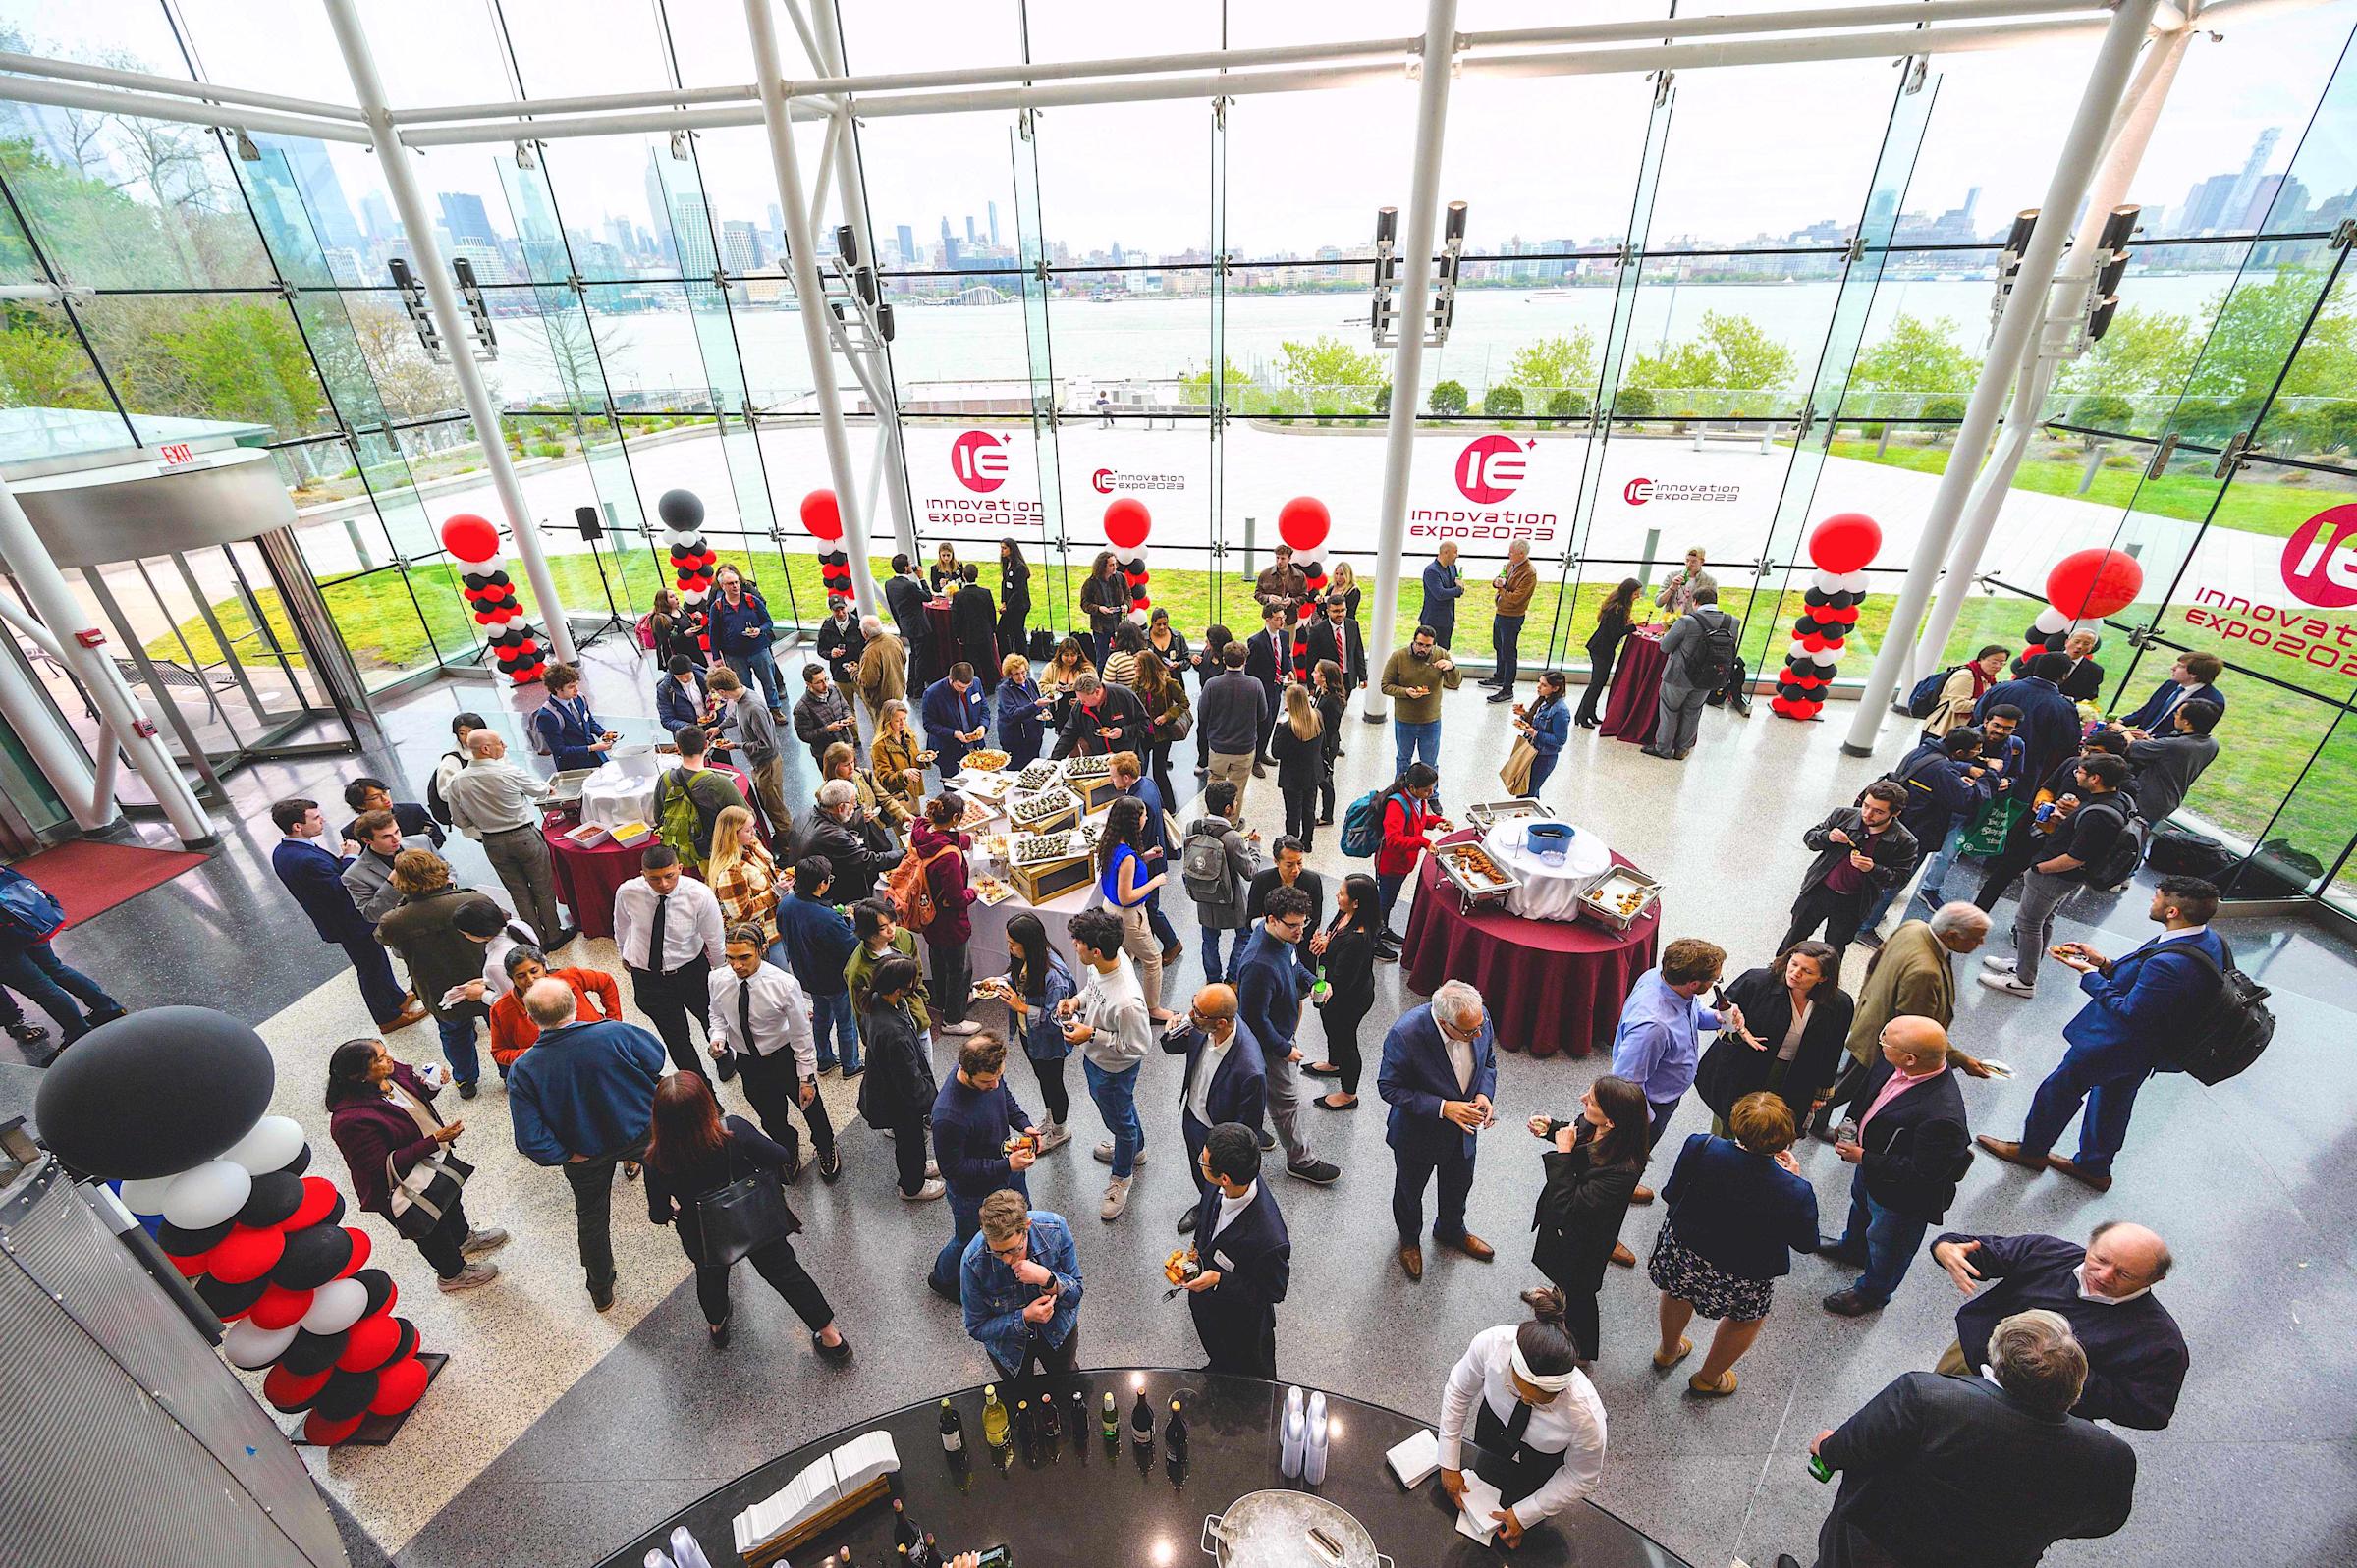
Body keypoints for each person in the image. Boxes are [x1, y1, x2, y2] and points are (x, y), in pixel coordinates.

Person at [1792, 1311, 2136, 1568]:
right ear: (2076, 1384)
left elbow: (1852, 1447)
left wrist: (1826, 1447)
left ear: (1996, 1359)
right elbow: (2104, 1521)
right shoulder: (2110, 1455)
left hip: (1881, 1541)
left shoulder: (1927, 1396)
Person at [1977, 876, 2224, 1194]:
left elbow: (2130, 1012)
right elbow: (2150, 986)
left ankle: (2032, 1151)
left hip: (2116, 1044)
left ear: (2173, 911)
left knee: (2059, 1089)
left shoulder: (2170, 963)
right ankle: (2094, 1167)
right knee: (2113, 1101)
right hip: (2150, 1047)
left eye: (2158, 898)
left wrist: (2090, 975)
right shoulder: (2208, 940)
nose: (2152, 900)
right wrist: (2104, 963)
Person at [643, 1071, 852, 1360]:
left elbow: (658, 1213)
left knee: (711, 1277)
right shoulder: (733, 1131)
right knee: (786, 1273)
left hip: (703, 1231)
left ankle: (717, 1326)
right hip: (755, 1216)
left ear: (659, 1118)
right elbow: (779, 1155)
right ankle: (831, 1338)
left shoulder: (656, 1159)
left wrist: (676, 1209)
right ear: (705, 1103)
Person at [508, 977, 669, 1312]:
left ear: (531, 1017)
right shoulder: (613, 1032)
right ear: (574, 1004)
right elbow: (655, 1058)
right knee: (679, 1178)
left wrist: (567, 1154)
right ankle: (701, 1233)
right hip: (641, 1132)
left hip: (584, 1153)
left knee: (592, 1217)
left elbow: (530, 1139)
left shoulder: (524, 1070)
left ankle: (601, 1287)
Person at [1648, 1092, 1820, 1394]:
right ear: (1785, 1141)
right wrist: (1792, 1180)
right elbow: (1806, 1243)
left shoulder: (1701, 1145)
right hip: (1745, 1270)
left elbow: (1671, 1193)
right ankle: (1708, 1379)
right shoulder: (1796, 1190)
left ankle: (1668, 1350)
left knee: (1676, 1294)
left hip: (1686, 1249)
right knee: (1745, 1320)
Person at [324, 1038, 506, 1290]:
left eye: (385, 1053)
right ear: (359, 1076)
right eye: (379, 1059)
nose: (389, 1059)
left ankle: (463, 1239)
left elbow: (415, 1095)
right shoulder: (350, 1120)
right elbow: (378, 1166)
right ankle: (452, 1275)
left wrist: (432, 1085)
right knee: (431, 1228)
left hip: (431, 1159)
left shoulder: (391, 1072)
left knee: (450, 1199)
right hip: (404, 1184)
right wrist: (434, 1140)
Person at [1436, 1288, 1608, 1548]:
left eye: (1540, 1401)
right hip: (1495, 1421)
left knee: (1530, 1490)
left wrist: (1526, 1514)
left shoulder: (1586, 1415)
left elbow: (1581, 1475)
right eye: (1516, 1390)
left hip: (1545, 1455)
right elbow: (1459, 1390)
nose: (1525, 1401)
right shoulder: (1492, 1344)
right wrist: (1448, 1460)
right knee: (1485, 1472)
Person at [1821, 1015, 1970, 1316]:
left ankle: (1872, 1293)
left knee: (1889, 1245)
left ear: (1910, 1059)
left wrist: (1863, 1157)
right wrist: (1850, 1125)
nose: (1880, 1044)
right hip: (1871, 1169)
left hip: (1901, 1197)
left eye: (1885, 1041)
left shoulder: (1943, 1116)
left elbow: (1922, 1173)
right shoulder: (1893, 1061)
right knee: (1861, 1209)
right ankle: (1853, 1249)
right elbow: (1868, 1093)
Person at [1815, 903, 1992, 1138]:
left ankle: (1820, 1117)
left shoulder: (1913, 927)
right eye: (1976, 938)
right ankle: (1817, 1120)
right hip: (1886, 1043)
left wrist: (1868, 999)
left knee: (1850, 1077)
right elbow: (1916, 1029)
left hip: (1872, 1020)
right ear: (1952, 936)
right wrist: (1961, 1060)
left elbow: (1874, 963)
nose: (1981, 943)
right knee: (1854, 1085)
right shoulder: (1925, 972)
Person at [1976, 752, 2130, 1000]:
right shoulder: (2114, 800)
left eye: (2081, 772)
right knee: (2043, 920)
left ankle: (2024, 980)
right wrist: (2065, 819)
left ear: (2095, 778)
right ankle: (2025, 965)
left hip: (2055, 875)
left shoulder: (2098, 815)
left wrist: (2038, 868)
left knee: (2028, 923)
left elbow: (2076, 857)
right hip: (2062, 875)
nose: (2076, 774)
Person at [1610, 938, 1737, 1223]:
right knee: (1623, 1164)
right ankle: (1610, 1215)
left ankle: (1627, 1181)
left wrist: (1717, 1017)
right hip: (1646, 1107)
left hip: (1664, 1094)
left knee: (1634, 1160)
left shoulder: (1662, 978)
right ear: (1694, 983)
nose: (1716, 984)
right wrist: (1646, 1122)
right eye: (1715, 980)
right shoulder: (1653, 1027)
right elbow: (1626, 1082)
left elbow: (1693, 1013)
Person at [1379, 979, 1497, 1280]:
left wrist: (1484, 1094)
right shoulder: (1405, 1035)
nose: (1478, 1034)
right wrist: (1444, 1107)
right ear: (1444, 1023)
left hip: (1463, 1132)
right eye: (1469, 1032)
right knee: (1410, 1192)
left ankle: (1451, 1229)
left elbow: (1488, 1062)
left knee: (1459, 1184)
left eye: (1480, 1026)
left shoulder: (1478, 1018)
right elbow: (1389, 1087)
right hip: (1418, 1135)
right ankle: (1409, 1240)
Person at [272, 797, 420, 1035]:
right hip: (348, 922)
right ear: (297, 826)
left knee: (377, 962)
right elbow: (340, 888)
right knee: (371, 968)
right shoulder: (305, 858)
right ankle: (388, 1017)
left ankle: (396, 998)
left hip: (339, 920)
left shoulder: (284, 851)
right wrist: (350, 858)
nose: (322, 820)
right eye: (315, 818)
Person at [1526, 1074, 1647, 1361]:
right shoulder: (1598, 1126)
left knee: (1580, 1294)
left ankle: (1580, 1350)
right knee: (1562, 1272)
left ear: (1611, 1122)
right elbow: (1577, 1133)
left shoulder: (1624, 1169)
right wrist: (1552, 1128)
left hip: (1585, 1240)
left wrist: (1563, 1151)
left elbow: (1569, 1207)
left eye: (1591, 1101)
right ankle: (1558, 1299)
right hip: (1566, 1232)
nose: (1583, 1100)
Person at [707, 924, 838, 1182]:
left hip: (783, 1057)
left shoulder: (783, 984)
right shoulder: (717, 979)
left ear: (762, 949)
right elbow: (716, 1014)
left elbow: (801, 1033)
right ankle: (787, 1147)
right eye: (730, 958)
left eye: (744, 957)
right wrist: (718, 1036)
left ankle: (825, 1145)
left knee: (811, 1107)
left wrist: (806, 1077)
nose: (736, 965)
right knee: (770, 1116)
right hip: (749, 1062)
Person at [1236, 887, 1342, 1187]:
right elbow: (1255, 1020)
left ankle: (1251, 1131)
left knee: (1255, 1089)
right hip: (1271, 1043)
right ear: (1271, 919)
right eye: (1293, 925)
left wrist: (1314, 982)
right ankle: (1301, 1161)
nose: (1300, 932)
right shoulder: (1258, 964)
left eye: (1303, 924)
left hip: (1280, 1033)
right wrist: (1284, 1049)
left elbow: (1295, 967)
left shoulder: (1282, 938)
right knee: (1287, 1103)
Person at [1694, 942, 1852, 1140]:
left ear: (1823, 978)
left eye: (1807, 971)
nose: (1795, 973)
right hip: (1743, 1066)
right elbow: (1719, 1016)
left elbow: (1832, 1050)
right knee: (1729, 1123)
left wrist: (1820, 1092)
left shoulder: (1839, 1005)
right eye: (1794, 964)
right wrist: (1738, 1029)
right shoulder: (1756, 982)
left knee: (1774, 1130)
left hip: (1795, 1075)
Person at [373, 850, 501, 1095]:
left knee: (454, 1033)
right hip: (482, 977)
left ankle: (465, 1080)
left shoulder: (395, 920)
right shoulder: (474, 899)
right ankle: (508, 1070)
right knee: (499, 1025)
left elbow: (382, 937)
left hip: (437, 987)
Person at [927, 1034, 1040, 1300]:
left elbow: (1004, 1096)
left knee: (1020, 1219)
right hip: (973, 1193)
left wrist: (1024, 1124)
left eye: (999, 1076)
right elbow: (953, 1170)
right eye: (987, 1082)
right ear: (966, 1071)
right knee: (969, 1240)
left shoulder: (990, 1072)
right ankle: (943, 1280)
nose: (995, 1084)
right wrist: (1006, 1165)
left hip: (1007, 1173)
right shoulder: (947, 1115)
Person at [1856, 729, 1993, 941]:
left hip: (1899, 823)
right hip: (1918, 830)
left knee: (1882, 876)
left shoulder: (1923, 751)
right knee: (1896, 880)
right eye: (1976, 751)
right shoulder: (1943, 769)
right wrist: (1989, 777)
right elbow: (1967, 801)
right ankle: (1865, 927)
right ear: (1959, 752)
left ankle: (1868, 913)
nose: (1979, 754)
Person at [439, 729, 570, 949]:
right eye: (500, 742)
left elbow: (460, 821)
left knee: (518, 892)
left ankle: (534, 938)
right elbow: (539, 791)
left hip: (492, 842)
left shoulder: (457, 782)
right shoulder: (507, 772)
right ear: (486, 749)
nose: (504, 746)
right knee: (543, 888)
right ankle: (554, 935)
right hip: (524, 836)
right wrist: (547, 789)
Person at [1062, 907, 1153, 1219]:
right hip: (1097, 1059)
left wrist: (1091, 1034)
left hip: (1114, 1070)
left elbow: (1139, 1045)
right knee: (1121, 1111)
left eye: (1078, 943)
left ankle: (1121, 1178)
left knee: (1120, 1123)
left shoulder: (1127, 1002)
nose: (1074, 945)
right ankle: (1135, 1149)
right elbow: (1093, 989)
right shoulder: (1105, 962)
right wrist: (1077, 1001)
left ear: (1096, 951)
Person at [1181, 1120, 1290, 1378]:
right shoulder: (1222, 1183)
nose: (1200, 1162)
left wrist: (1219, 1280)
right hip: (1211, 1311)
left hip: (1241, 1325)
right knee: (1219, 1356)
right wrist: (1196, 1250)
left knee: (1247, 1375)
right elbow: (1208, 1219)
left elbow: (1272, 1291)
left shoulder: (1269, 1238)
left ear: (1225, 1178)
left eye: (1204, 1161)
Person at [614, 843, 727, 1078]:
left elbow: (715, 939)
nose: (664, 884)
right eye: (654, 879)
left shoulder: (699, 895)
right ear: (643, 874)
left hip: (690, 971)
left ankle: (725, 1060)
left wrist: (720, 974)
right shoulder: (627, 892)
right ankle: (701, 1090)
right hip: (649, 978)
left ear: (680, 868)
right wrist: (624, 953)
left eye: (669, 876)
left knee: (711, 1020)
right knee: (677, 1040)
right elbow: (621, 925)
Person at [1165, 983, 1269, 1235]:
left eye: (1197, 1012)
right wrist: (1171, 1030)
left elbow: (1247, 1129)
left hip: (1218, 1131)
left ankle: (1217, 1213)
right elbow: (1170, 1046)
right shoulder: (1203, 1024)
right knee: (1198, 1169)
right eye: (1193, 1005)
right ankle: (1205, 1204)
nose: (1191, 1015)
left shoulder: (1250, 1070)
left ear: (1221, 1023)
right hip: (1193, 1117)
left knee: (1217, 1175)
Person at [1781, 782, 1920, 959]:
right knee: (1795, 936)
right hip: (1819, 889)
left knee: (1835, 948)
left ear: (1895, 813)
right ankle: (1778, 968)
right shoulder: (1843, 815)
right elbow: (1810, 838)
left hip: (1854, 901)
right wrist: (1827, 836)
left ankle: (1826, 977)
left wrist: (1873, 868)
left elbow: (1900, 878)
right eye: (1866, 806)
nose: (1867, 814)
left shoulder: (1904, 841)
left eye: (1878, 811)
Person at [1908, 705, 2025, 917]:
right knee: (1918, 848)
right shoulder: (1965, 736)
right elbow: (1944, 758)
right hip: (1948, 802)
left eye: (2008, 728)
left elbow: (2017, 774)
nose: (2000, 731)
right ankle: (1899, 884)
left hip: (1975, 806)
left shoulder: (2016, 746)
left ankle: (1930, 888)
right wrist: (1968, 769)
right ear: (1986, 721)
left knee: (1949, 853)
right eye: (1996, 725)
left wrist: (2007, 781)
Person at [961, 1188, 1082, 1380]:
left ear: (1027, 1226)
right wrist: (1025, 1317)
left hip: (1058, 1332)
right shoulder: (973, 1261)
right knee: (1020, 1392)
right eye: (997, 1252)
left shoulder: (1056, 1229)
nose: (1007, 1260)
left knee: (1067, 1380)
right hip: (1009, 1348)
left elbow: (1076, 1294)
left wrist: (1048, 1280)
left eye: (1014, 1249)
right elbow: (976, 1327)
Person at [983, 912, 1077, 1152]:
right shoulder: (1029, 960)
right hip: (1030, 1035)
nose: (1010, 949)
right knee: (1043, 1078)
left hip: (1048, 1040)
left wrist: (1021, 1007)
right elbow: (1019, 977)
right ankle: (1051, 1117)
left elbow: (1056, 1018)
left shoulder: (1054, 977)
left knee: (1053, 1083)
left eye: (1013, 944)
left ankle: (1060, 1129)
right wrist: (1001, 981)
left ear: (1029, 944)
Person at [855, 955, 941, 1202]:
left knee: (910, 1138)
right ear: (898, 989)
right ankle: (912, 1186)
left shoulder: (873, 1002)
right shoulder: (893, 1033)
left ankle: (918, 1166)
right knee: (910, 1139)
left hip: (885, 1086)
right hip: (899, 1099)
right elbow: (909, 1081)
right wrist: (932, 1098)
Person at [773, 856, 862, 1076]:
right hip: (833, 979)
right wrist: (851, 922)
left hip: (806, 974)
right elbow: (850, 946)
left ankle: (824, 1059)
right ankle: (851, 1064)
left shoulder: (786, 904)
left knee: (821, 1017)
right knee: (846, 1022)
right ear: (822, 884)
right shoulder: (827, 917)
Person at [485, 943, 620, 1073]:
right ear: (512, 978)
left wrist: (613, 1020)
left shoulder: (569, 978)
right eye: (521, 976)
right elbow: (499, 1052)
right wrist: (530, 1054)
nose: (530, 979)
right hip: (556, 1071)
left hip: (599, 1052)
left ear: (544, 967)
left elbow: (605, 981)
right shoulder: (501, 1010)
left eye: (534, 971)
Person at [1094, 797, 1172, 1024]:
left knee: (1124, 957)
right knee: (1152, 959)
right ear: (1133, 821)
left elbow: (1122, 873)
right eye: (1143, 815)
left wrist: (1145, 857)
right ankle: (1152, 1009)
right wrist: (1155, 882)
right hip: (1127, 915)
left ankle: (1125, 998)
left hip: (1110, 909)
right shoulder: (1127, 857)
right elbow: (1126, 896)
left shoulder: (1111, 843)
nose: (1146, 818)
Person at [1304, 872, 1377, 1109]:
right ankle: (1334, 1063)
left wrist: (1326, 952)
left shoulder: (1357, 939)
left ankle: (1349, 1094)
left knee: (1346, 1041)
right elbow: (1334, 938)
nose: (1337, 895)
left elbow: (1341, 979)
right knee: (1332, 1029)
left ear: (1356, 902)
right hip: (1339, 991)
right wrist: (1326, 943)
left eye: (1343, 893)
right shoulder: (1346, 915)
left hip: (1348, 998)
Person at [911, 792, 981, 1036]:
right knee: (959, 968)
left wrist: (965, 840)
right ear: (955, 817)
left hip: (930, 916)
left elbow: (941, 840)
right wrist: (973, 892)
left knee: (938, 961)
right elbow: (956, 898)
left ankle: (943, 1001)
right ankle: (953, 1018)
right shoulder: (949, 857)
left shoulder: (921, 831)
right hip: (950, 922)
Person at [1643, 585, 1737, 762]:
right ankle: (1682, 749)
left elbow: (1665, 647)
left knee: (1670, 710)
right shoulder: (1732, 622)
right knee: (1693, 712)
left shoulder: (1687, 621)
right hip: (1709, 677)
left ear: (1695, 602)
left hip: (1679, 676)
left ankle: (1663, 748)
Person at [1106, 750, 1181, 961]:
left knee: (1150, 907)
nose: (1111, 780)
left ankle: (1172, 943)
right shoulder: (1148, 782)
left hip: (1149, 863)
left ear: (1126, 778)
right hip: (1154, 854)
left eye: (1113, 776)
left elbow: (1135, 838)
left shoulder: (1138, 802)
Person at [1182, 779, 1260, 984]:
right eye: (1235, 801)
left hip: (1203, 893)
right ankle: (1232, 978)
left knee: (1209, 939)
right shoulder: (1233, 838)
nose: (1237, 803)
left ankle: (1213, 980)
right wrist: (1254, 847)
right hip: (1230, 899)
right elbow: (1250, 872)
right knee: (1244, 934)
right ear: (1227, 808)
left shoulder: (1192, 827)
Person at [1974, 650, 2081, 789]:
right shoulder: (2062, 707)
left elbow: (1978, 714)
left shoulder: (2001, 688)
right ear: (2065, 676)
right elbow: (2067, 742)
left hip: (1980, 760)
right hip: (2026, 769)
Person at [1372, 761, 1447, 955]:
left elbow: (1419, 819)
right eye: (1427, 790)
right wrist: (1423, 842)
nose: (1431, 793)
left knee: (1388, 901)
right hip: (1390, 865)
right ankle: (1374, 941)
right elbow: (1393, 840)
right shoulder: (1396, 805)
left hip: (1403, 863)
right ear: (1412, 787)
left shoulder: (1417, 799)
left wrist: (1437, 822)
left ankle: (1383, 929)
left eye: (1433, 788)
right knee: (1383, 903)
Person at [1379, 624, 1462, 777]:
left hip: (1431, 720)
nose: (1422, 649)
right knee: (1403, 760)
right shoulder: (1398, 657)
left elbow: (1455, 683)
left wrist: (1451, 667)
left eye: (1427, 646)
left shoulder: (1441, 654)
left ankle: (1431, 791)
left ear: (1433, 645)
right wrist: (1406, 692)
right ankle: (1401, 789)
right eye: (1419, 644)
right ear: (1413, 641)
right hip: (1405, 720)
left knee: (1430, 763)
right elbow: (1385, 686)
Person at [2121, 697, 2220, 825]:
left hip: (2145, 800)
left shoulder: (2176, 745)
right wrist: (2151, 742)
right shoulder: (2211, 744)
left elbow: (2133, 747)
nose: (2175, 716)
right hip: (2167, 801)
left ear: (2186, 722)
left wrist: (2123, 730)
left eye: (2177, 713)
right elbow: (2171, 755)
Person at [801, 779, 901, 904]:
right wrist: (906, 852)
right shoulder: (834, 836)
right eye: (853, 803)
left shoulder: (804, 815)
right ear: (841, 807)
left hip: (807, 881)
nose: (855, 808)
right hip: (830, 892)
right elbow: (868, 861)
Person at [707, 564, 783, 714]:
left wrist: (759, 630)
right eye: (730, 583)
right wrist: (716, 656)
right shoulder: (717, 607)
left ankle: (775, 709)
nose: (735, 586)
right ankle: (754, 711)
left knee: (769, 682)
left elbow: (768, 622)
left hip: (758, 650)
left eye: (736, 582)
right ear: (722, 586)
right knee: (744, 687)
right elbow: (713, 632)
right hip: (734, 655)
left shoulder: (752, 600)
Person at [1197, 640, 1270, 795]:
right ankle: (1233, 812)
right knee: (1237, 789)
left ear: (1224, 660)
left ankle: (1214, 811)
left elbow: (1203, 714)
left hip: (1218, 747)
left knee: (1215, 786)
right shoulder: (1255, 685)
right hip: (1244, 747)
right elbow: (1263, 714)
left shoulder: (1211, 685)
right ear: (1245, 661)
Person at [1246, 835, 1325, 973]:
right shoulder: (1261, 881)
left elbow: (1315, 918)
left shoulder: (1312, 881)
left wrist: (1296, 934)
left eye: (1299, 863)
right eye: (1289, 865)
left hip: (1302, 947)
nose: (1296, 870)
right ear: (1276, 861)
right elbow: (1251, 919)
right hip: (1270, 947)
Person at [704, 805, 781, 942]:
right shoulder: (730, 871)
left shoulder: (751, 846)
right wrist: (775, 892)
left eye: (753, 827)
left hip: (777, 925)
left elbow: (769, 872)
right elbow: (743, 913)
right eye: (748, 830)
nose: (754, 833)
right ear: (732, 835)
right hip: (763, 937)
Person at [1573, 578, 1640, 729]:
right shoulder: (1618, 608)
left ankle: (1589, 713)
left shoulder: (1615, 605)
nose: (1637, 596)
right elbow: (1616, 632)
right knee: (1596, 684)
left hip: (1602, 648)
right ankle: (1582, 715)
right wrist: (1633, 627)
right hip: (1602, 649)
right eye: (1635, 593)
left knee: (1599, 683)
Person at [1269, 682, 1325, 849]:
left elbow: (1276, 752)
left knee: (1293, 812)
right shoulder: (1317, 717)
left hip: (1292, 776)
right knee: (1309, 808)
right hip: (1312, 772)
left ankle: (1292, 844)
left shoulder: (1286, 726)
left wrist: (1278, 725)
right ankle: (1307, 841)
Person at [1483, 539, 1540, 702]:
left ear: (1522, 554)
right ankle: (1499, 677)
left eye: (1512, 552)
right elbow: (1500, 578)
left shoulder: (1529, 573)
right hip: (1501, 613)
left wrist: (1501, 589)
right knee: (1498, 646)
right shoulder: (1511, 564)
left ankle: (1507, 689)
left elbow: (1517, 598)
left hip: (1512, 617)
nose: (1509, 554)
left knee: (1509, 652)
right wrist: (1496, 582)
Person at [1131, 650, 1190, 806]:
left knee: (1159, 772)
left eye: (1137, 666)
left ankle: (1169, 805)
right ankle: (1139, 803)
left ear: (1146, 667)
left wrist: (1167, 716)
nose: (1134, 669)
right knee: (1140, 770)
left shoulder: (1169, 684)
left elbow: (1184, 703)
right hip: (1143, 734)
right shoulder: (1137, 683)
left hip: (1162, 735)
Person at [2119, 649, 2225, 733]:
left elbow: (2192, 734)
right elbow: (2146, 710)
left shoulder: (2212, 701)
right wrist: (2122, 721)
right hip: (2139, 739)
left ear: (2194, 674)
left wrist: (2150, 739)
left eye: (2180, 666)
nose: (2173, 668)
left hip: (2163, 748)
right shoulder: (2170, 684)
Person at [530, 664, 614, 771]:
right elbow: (559, 750)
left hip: (597, 757)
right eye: (571, 687)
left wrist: (603, 734)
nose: (576, 690)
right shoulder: (547, 716)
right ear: (557, 689)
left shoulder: (579, 698)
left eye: (576, 685)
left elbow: (588, 720)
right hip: (574, 766)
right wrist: (591, 748)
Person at [790, 662, 861, 782]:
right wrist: (827, 729)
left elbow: (845, 707)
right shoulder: (801, 708)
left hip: (846, 745)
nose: (825, 685)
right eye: (819, 682)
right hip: (827, 756)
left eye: (826, 679)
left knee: (856, 779)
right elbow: (804, 735)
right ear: (808, 684)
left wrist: (848, 716)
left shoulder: (834, 690)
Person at [1052, 671, 1147, 760]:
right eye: (1079, 699)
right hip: (1099, 759)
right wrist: (1053, 761)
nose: (1081, 703)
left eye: (1084, 700)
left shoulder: (1124, 696)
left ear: (1097, 692)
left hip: (1127, 758)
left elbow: (1145, 723)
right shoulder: (1079, 708)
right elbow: (1068, 735)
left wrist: (1123, 732)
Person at [1923, 644, 2010, 739]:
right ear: (1981, 659)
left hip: (1959, 732)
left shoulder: (1988, 679)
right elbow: (1958, 705)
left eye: (2002, 663)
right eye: (1994, 662)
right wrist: (1984, 704)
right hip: (1942, 729)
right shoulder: (1966, 676)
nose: (1998, 666)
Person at [338, 776, 445, 851]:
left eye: (385, 792)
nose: (385, 799)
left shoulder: (413, 811)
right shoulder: (351, 832)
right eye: (375, 798)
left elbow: (437, 837)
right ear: (361, 805)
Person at [823, 738, 905, 837]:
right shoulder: (826, 793)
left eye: (852, 762)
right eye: (846, 765)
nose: (851, 767)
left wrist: (903, 815)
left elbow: (886, 799)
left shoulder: (865, 775)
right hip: (853, 836)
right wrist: (859, 819)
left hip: (875, 829)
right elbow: (832, 825)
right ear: (833, 767)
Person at [920, 662, 990, 778]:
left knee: (979, 780)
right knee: (952, 784)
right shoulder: (932, 694)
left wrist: (983, 726)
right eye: (960, 687)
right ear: (950, 679)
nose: (965, 690)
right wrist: (953, 733)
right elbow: (929, 724)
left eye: (968, 686)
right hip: (948, 749)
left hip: (975, 745)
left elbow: (984, 709)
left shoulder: (976, 683)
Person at [1243, 604, 1290, 772]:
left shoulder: (1283, 636)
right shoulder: (1256, 641)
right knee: (1262, 723)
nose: (1282, 622)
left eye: (1283, 618)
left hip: (1277, 687)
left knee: (1271, 722)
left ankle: (1262, 751)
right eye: (1277, 619)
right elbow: (1250, 670)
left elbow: (1285, 657)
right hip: (1262, 689)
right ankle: (1254, 759)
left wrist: (1289, 670)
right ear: (1267, 619)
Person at [1512, 672, 1572, 797]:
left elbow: (1560, 740)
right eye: (1539, 683)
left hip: (1543, 758)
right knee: (1528, 791)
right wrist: (1524, 714)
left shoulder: (1560, 711)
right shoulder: (1544, 701)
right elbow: (1538, 723)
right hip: (1533, 752)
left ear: (1555, 688)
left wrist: (1535, 734)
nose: (1538, 687)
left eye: (1544, 685)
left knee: (1528, 793)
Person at [869, 697, 927, 823]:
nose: (902, 723)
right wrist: (903, 773)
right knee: (905, 828)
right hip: (898, 797)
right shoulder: (879, 745)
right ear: (887, 721)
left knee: (917, 825)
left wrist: (925, 757)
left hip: (913, 790)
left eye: (904, 719)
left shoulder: (908, 735)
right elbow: (883, 779)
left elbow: (913, 759)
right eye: (897, 720)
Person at [425, 710, 484, 831]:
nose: (467, 737)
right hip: (475, 820)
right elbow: (445, 793)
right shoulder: (452, 761)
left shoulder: (493, 747)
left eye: (472, 732)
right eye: (462, 733)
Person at [1300, 592, 1365, 696]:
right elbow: (1311, 659)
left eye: (1342, 610)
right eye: (1335, 611)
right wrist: (1311, 685)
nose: (1340, 614)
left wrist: (1363, 676)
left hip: (1348, 677)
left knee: (1344, 704)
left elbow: (1358, 651)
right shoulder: (1317, 630)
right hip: (1327, 679)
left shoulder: (1353, 625)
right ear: (1328, 611)